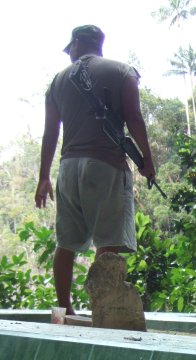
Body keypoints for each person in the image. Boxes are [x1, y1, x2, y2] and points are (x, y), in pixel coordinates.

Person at [35, 25, 155, 315]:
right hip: (105, 166)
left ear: (77, 44)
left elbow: (50, 133)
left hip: (68, 168)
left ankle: (65, 309)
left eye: (70, 48)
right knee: (108, 242)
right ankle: (102, 309)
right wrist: (147, 160)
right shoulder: (123, 71)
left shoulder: (58, 81)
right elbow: (134, 117)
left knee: (66, 244)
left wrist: (43, 177)